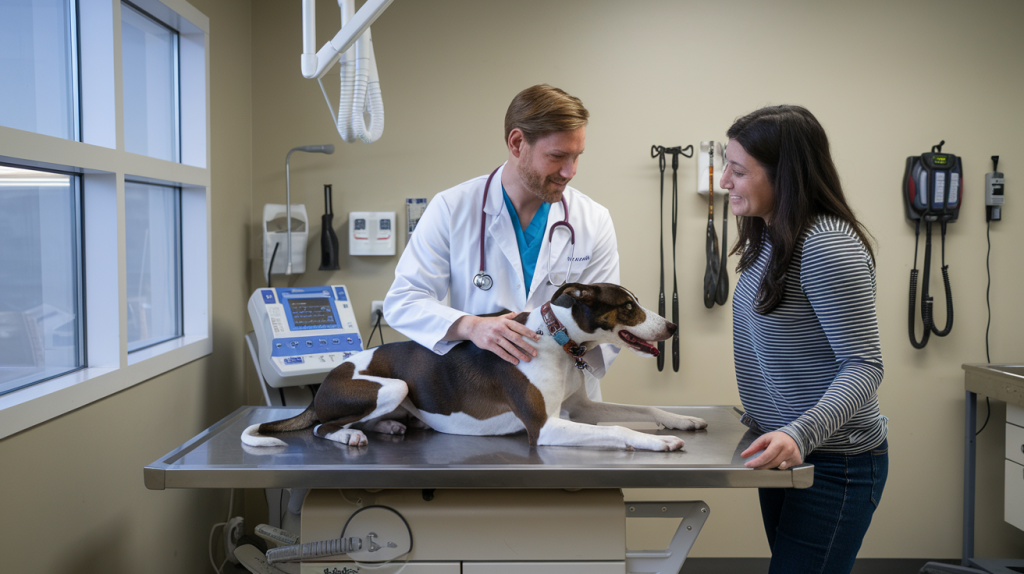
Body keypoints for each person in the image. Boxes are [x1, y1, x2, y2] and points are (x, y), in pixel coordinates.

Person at [719, 105, 888, 573]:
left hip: (834, 461)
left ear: (785, 176)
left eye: (737, 170)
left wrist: (799, 432)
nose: (723, 182)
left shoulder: (827, 245)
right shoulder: (769, 238)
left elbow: (864, 366)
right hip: (786, 453)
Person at [384, 84, 620, 400]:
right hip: (481, 398)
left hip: (565, 398)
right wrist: (471, 326)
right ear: (517, 142)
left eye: (577, 157)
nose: (570, 171)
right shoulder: (452, 208)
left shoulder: (592, 219)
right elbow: (404, 301)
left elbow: (608, 320)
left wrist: (557, 348)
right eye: (557, 156)